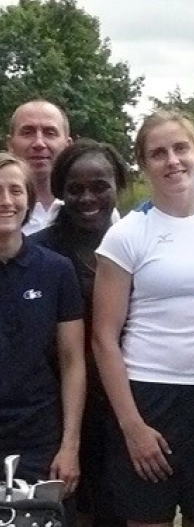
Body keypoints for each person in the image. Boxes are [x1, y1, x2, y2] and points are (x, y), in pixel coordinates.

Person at [92, 110, 194, 527]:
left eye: (180, 148)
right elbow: (103, 339)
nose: (172, 161)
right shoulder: (127, 234)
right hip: (149, 398)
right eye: (158, 153)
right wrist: (132, 426)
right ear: (144, 165)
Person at [31, 139, 129, 526]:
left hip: (123, 402)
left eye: (99, 186)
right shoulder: (41, 254)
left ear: (117, 185)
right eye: (75, 188)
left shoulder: (138, 243)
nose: (88, 197)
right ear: (59, 191)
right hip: (60, 408)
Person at [0, 152, 85, 497]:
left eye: (15, 191)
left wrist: (70, 446)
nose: (6, 201)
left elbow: (72, 361)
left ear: (29, 199)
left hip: (39, 440)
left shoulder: (56, 270)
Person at [5, 100, 73, 234]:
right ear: (10, 145)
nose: (39, 143)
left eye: (50, 133)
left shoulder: (92, 210)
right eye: (27, 132)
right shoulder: (4, 209)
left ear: (67, 146)